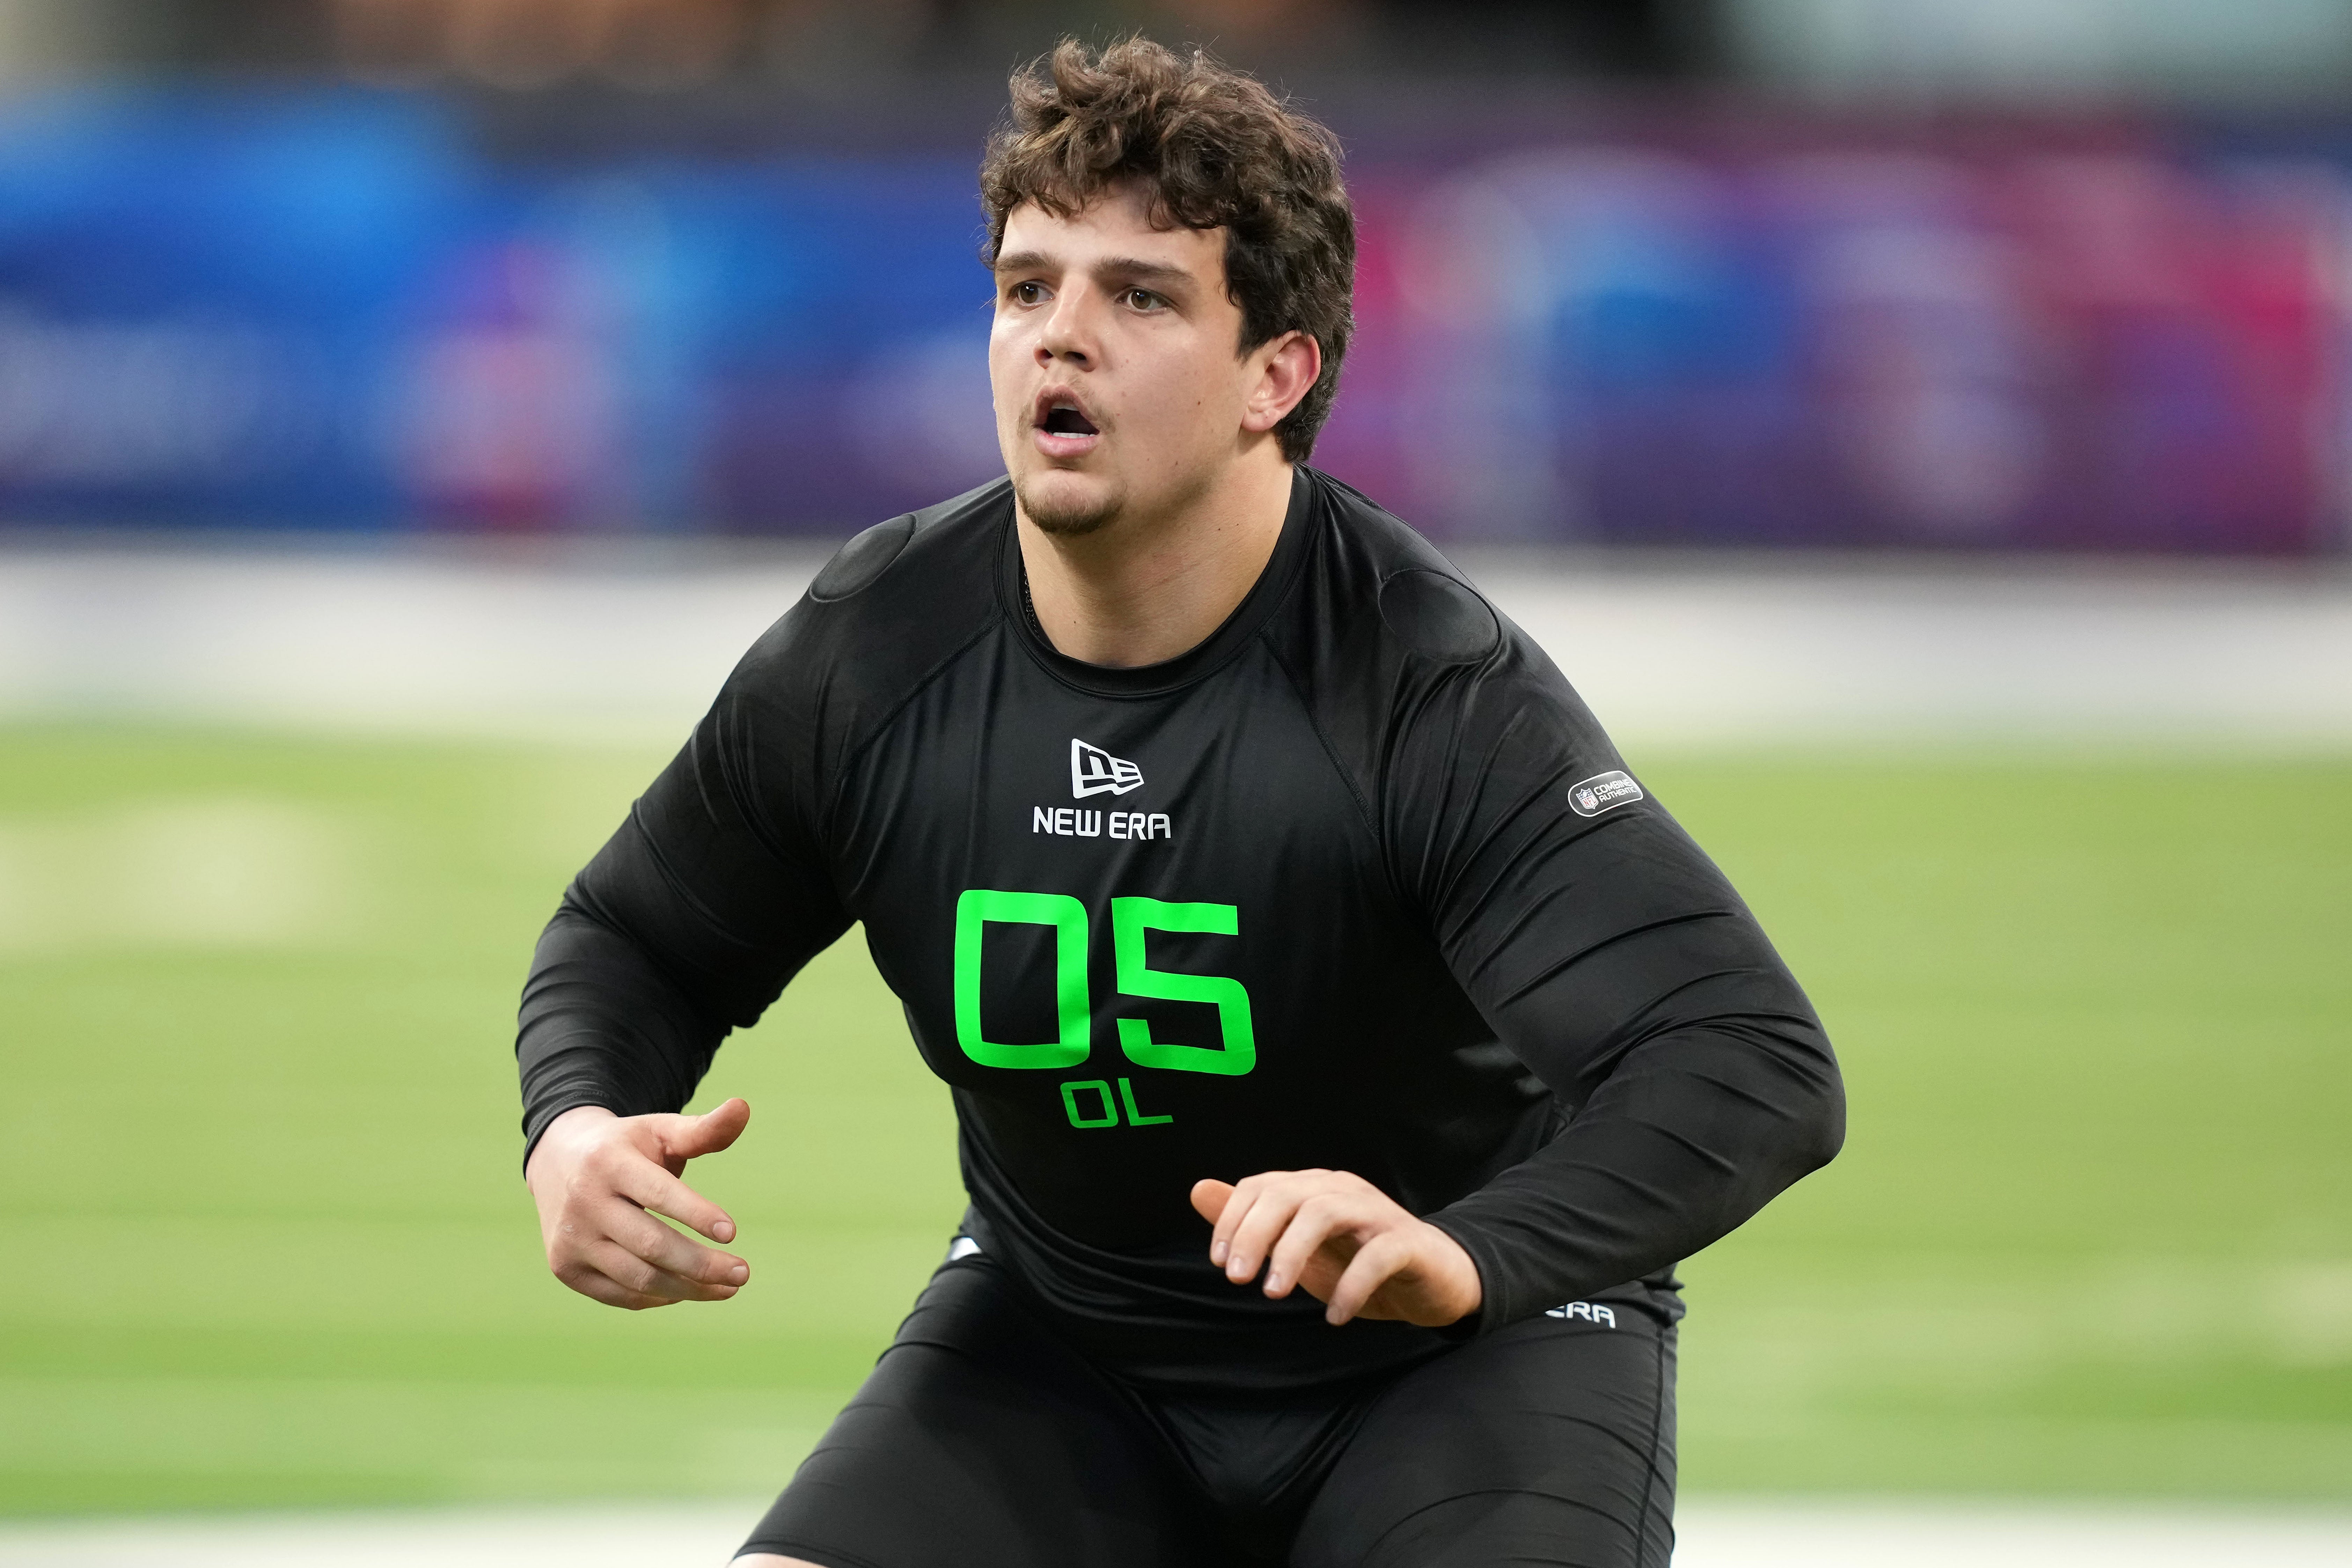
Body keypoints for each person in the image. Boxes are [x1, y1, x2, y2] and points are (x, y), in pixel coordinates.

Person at [516, 36, 1843, 1568]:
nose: (1058, 340)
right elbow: (634, 937)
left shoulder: (1417, 683)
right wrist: (578, 1126)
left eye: (1137, 296)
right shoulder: (880, 644)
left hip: (1451, 1360)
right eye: (1028, 288)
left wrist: (1468, 1255)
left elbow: (1744, 1060)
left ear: (1273, 374)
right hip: (1069, 1340)